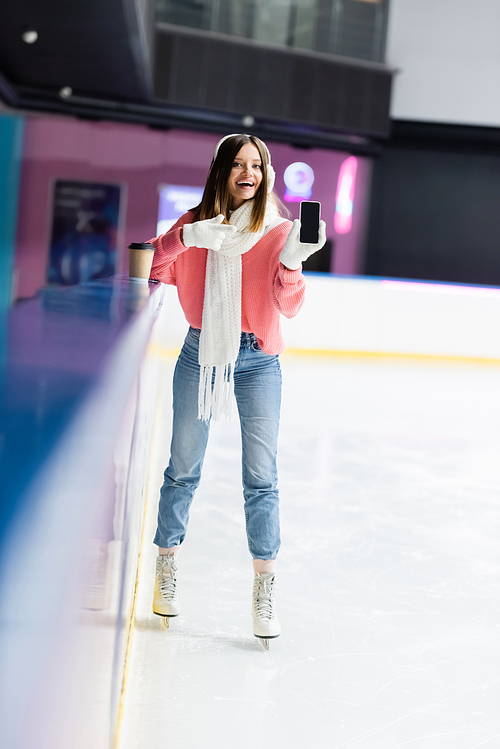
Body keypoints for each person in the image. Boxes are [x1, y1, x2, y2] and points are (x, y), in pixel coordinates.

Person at [147, 133, 326, 645]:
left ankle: (265, 588)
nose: (249, 172)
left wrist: (291, 263)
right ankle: (167, 566)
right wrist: (187, 239)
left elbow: (289, 307)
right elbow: (153, 269)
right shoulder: (193, 224)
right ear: (222, 170)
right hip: (200, 352)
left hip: (260, 360)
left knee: (261, 477)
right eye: (239, 164)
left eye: (258, 164)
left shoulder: (279, 229)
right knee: (182, 468)